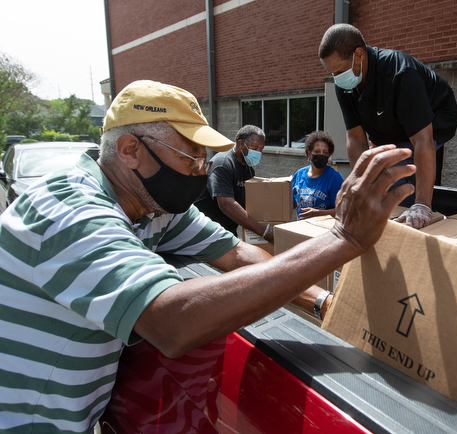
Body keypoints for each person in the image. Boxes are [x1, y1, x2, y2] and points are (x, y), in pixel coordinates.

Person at [0, 80, 415, 433]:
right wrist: (344, 238)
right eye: (191, 157)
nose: (202, 170)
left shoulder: (153, 207)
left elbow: (237, 254)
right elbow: (171, 323)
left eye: (204, 158)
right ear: (130, 150)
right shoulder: (69, 210)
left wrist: (324, 303)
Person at [319, 23, 457, 229]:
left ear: (359, 54)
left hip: (436, 120)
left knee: (398, 171)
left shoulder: (400, 72)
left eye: (340, 70)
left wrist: (422, 204)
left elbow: (422, 139)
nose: (337, 78)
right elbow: (356, 138)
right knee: (377, 175)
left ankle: (409, 218)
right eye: (332, 73)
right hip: (391, 127)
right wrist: (361, 184)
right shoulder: (344, 85)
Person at [195, 124, 275, 242]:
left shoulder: (248, 169)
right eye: (255, 147)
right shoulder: (223, 164)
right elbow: (226, 204)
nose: (259, 152)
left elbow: (250, 203)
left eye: (261, 149)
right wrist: (263, 232)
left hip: (226, 231)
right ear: (241, 144)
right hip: (205, 233)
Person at [292, 131, 344, 219]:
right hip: (301, 229)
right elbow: (290, 204)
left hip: (324, 230)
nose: (321, 155)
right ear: (309, 153)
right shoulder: (299, 175)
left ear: (329, 154)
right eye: (317, 151)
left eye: (325, 152)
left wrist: (319, 213)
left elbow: (342, 211)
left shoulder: (334, 178)